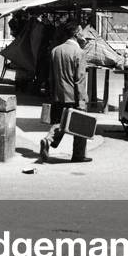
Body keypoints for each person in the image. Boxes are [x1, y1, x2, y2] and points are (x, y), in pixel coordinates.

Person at [38, 26, 92, 164]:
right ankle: (78, 155)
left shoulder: (55, 50)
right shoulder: (79, 52)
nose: (83, 34)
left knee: (59, 122)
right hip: (73, 95)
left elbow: (50, 76)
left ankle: (48, 141)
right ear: (76, 33)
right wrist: (81, 101)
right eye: (81, 31)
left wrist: (51, 94)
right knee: (80, 125)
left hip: (58, 94)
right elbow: (80, 79)